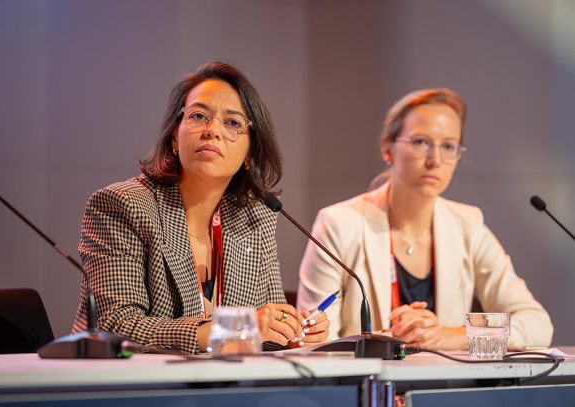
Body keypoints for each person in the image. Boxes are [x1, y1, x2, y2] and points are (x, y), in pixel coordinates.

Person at [72, 61, 329, 354]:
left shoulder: (255, 218)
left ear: (249, 154)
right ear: (174, 137)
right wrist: (234, 328)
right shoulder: (123, 205)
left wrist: (290, 333)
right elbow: (114, 326)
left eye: (233, 123)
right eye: (198, 116)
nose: (212, 130)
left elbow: (262, 330)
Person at [297, 88, 552, 350]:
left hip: (442, 378)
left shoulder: (468, 225)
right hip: (365, 377)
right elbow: (314, 342)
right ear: (387, 148)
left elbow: (538, 324)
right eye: (420, 142)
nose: (435, 160)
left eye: (448, 146)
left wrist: (453, 335)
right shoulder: (339, 224)